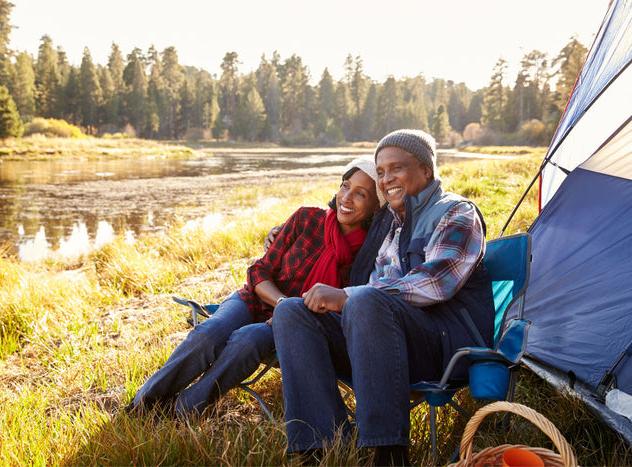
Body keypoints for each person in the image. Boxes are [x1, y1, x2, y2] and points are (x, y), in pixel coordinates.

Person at [271, 129, 494, 465]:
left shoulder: (456, 213)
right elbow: (374, 282)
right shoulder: (392, 224)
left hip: (444, 349)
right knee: (292, 311)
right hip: (383, 345)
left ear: (426, 171)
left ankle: (387, 452)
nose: (386, 179)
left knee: (363, 300)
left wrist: (347, 296)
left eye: (397, 168)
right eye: (381, 171)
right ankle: (320, 446)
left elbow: (436, 282)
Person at [128, 157, 384, 417]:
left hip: (294, 326)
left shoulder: (367, 256)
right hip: (257, 298)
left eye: (360, 194)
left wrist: (290, 316)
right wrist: (283, 304)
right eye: (345, 186)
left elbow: (339, 310)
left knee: (246, 342)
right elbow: (259, 270)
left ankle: (181, 410)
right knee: (209, 333)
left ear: (376, 207)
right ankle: (143, 403)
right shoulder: (307, 218)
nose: (347, 197)